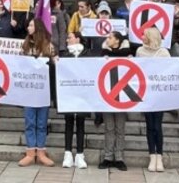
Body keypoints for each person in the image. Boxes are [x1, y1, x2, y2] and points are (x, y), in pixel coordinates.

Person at [18, 18, 57, 167]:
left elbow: (55, 65)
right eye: (28, 25)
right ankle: (30, 152)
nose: (28, 27)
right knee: (29, 122)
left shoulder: (49, 46)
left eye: (31, 25)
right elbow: (19, 63)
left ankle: (41, 152)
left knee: (41, 123)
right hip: (28, 90)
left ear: (38, 28)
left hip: (43, 91)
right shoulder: (25, 45)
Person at [135, 26, 170, 172]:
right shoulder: (140, 51)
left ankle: (159, 156)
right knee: (150, 125)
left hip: (159, 93)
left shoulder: (164, 53)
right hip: (146, 93)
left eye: (144, 35)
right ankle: (152, 156)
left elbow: (169, 71)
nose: (142, 37)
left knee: (158, 125)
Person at [98, 31, 132, 171]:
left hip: (122, 96)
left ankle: (119, 158)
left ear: (117, 40)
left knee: (119, 128)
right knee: (109, 127)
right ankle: (108, 156)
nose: (107, 39)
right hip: (108, 95)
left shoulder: (128, 54)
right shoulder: (103, 53)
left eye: (110, 37)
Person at [59, 30, 91, 169]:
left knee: (81, 124)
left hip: (83, 94)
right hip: (68, 94)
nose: (67, 40)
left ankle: (80, 155)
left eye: (70, 37)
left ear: (77, 39)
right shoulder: (65, 55)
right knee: (69, 123)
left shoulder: (88, 55)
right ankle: (67, 154)